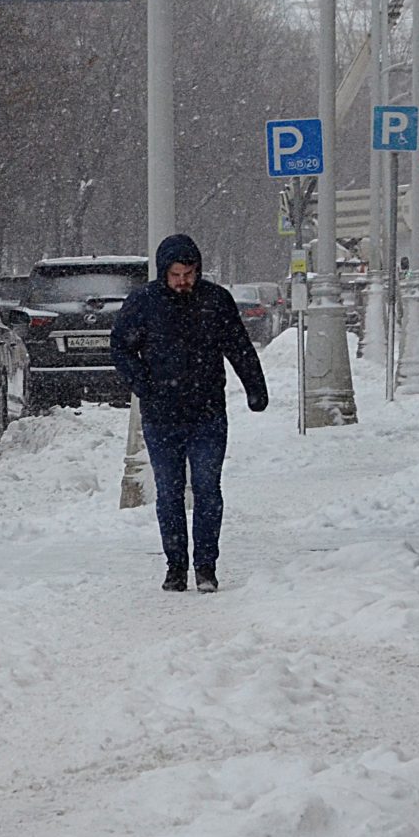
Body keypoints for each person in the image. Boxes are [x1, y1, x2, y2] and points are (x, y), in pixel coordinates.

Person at [110, 234, 269, 593]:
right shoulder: (143, 303)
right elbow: (120, 347)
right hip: (161, 414)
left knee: (208, 489)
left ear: (198, 270)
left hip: (207, 413)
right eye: (176, 274)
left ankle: (206, 567)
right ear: (163, 272)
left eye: (189, 273)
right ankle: (176, 566)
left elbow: (239, 347)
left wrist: (256, 389)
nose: (183, 281)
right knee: (169, 493)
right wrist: (142, 383)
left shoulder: (215, 301)